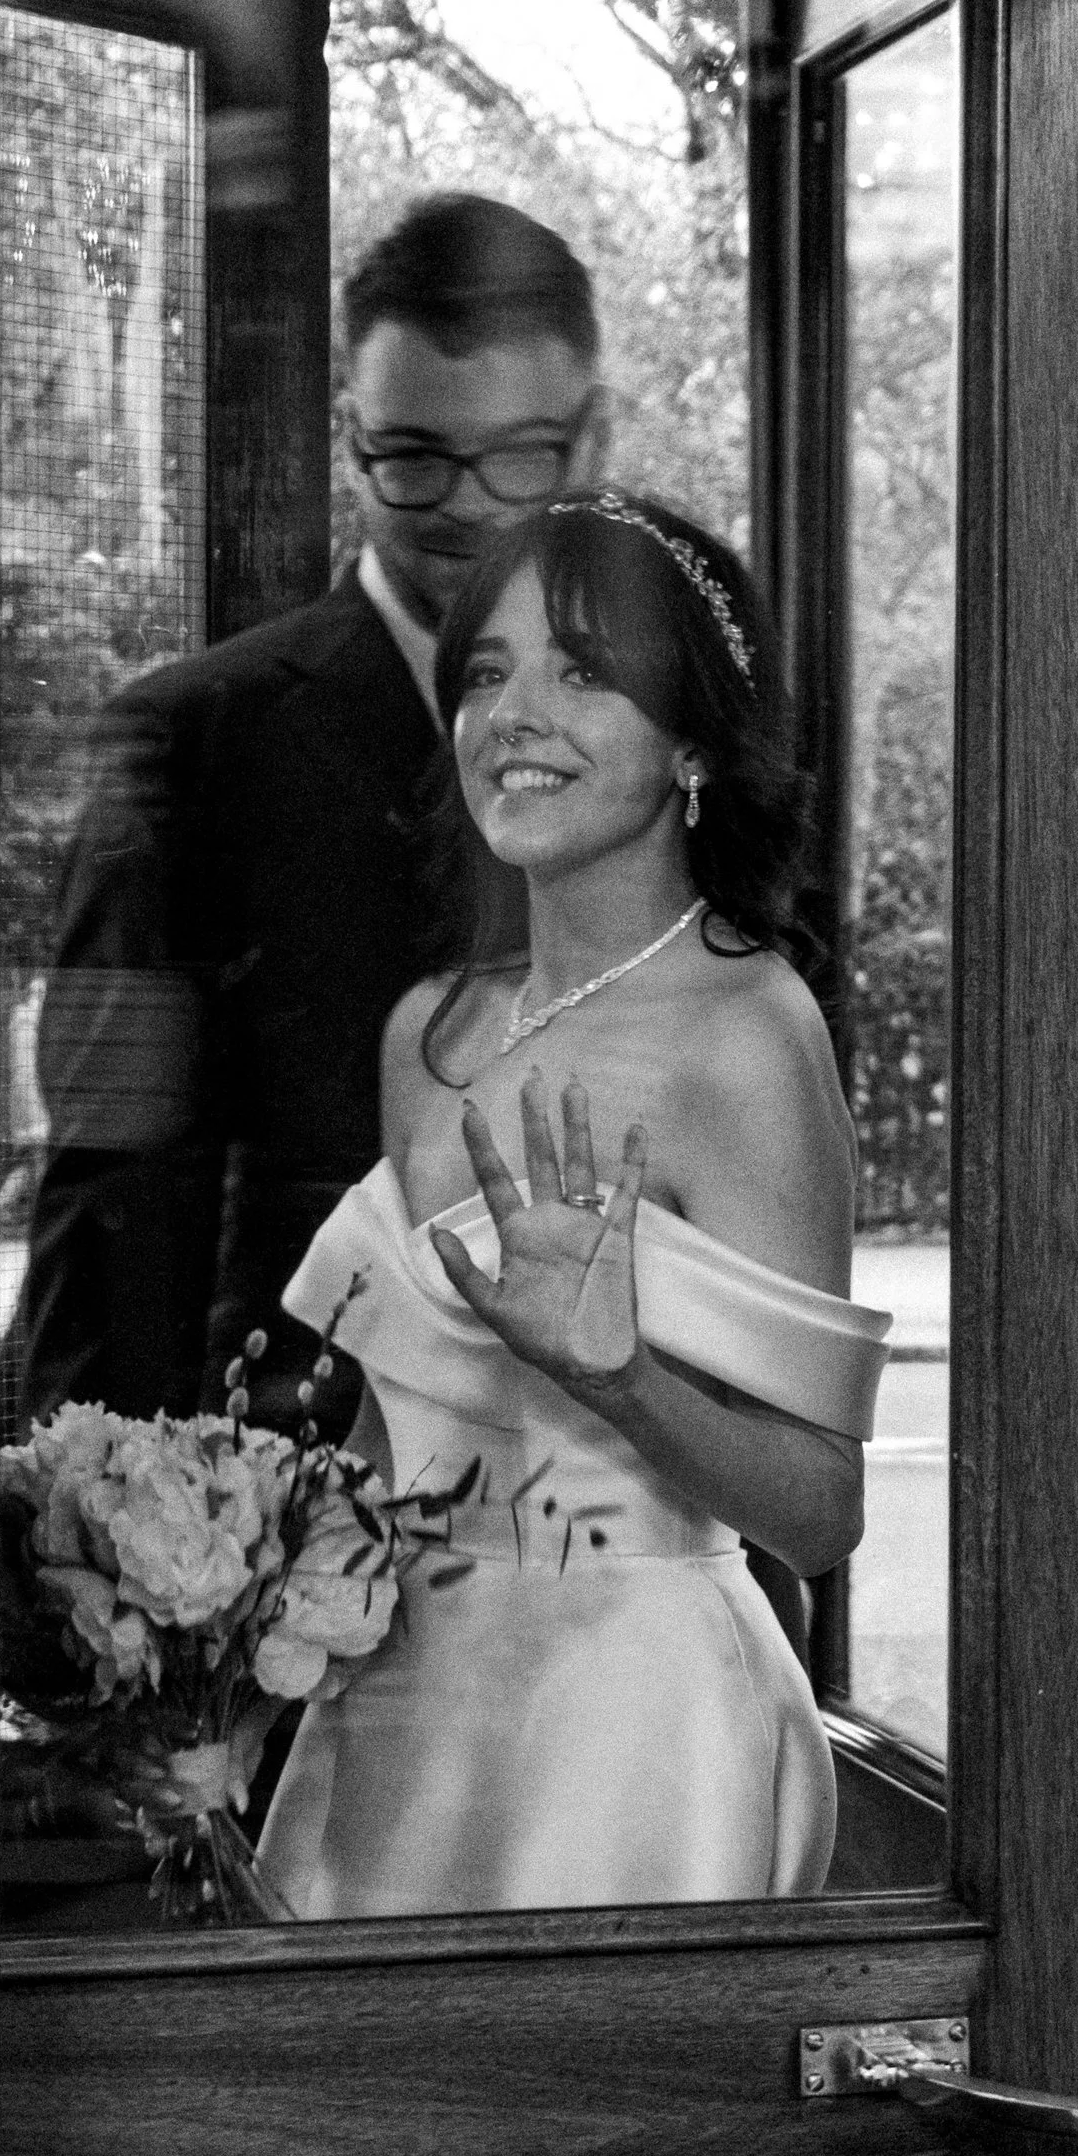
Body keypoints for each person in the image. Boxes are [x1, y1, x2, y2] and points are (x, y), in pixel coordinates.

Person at [253, 494, 892, 1916]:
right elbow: (387, 1426)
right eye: (487, 670)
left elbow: (824, 1514)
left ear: (692, 747)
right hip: (394, 1720)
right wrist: (236, 1643)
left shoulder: (747, 1032)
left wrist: (618, 1378)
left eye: (582, 670)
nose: (514, 714)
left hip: (632, 1731)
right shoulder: (428, 1033)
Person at [14, 193, 606, 1429]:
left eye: (519, 456)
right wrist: (84, 1542)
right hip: (294, 1503)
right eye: (413, 456)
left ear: (592, 441)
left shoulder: (678, 733)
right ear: (351, 437)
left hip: (620, 1499)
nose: (467, 505)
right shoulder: (192, 745)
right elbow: (112, 1193)